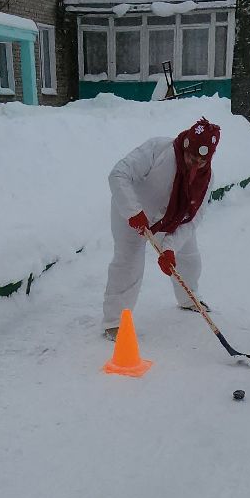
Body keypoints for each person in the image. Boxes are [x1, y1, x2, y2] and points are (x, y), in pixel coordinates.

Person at [102, 117, 221, 338]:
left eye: (201, 161)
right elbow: (118, 174)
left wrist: (170, 248)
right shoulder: (158, 149)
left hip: (173, 219)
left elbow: (193, 218)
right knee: (128, 264)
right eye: (191, 157)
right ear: (185, 145)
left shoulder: (207, 179)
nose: (194, 165)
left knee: (189, 256)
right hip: (132, 214)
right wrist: (133, 210)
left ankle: (188, 297)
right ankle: (114, 321)